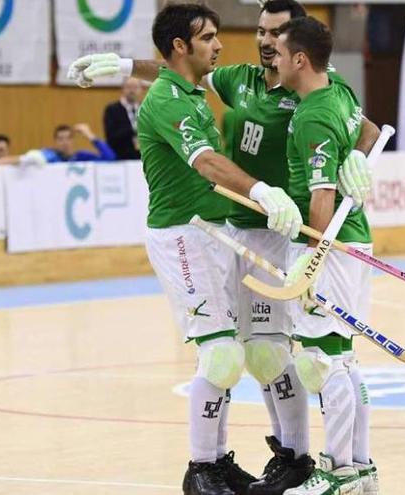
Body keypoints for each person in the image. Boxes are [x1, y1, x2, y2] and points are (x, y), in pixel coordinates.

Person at [67, 2, 378, 494]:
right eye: (259, 31)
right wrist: (126, 66)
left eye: (277, 33)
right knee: (258, 355)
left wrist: (357, 159)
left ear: (297, 45)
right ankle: (275, 461)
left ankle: (325, 463)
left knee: (317, 354)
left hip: (293, 231)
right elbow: (176, 64)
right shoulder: (238, 80)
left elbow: (364, 127)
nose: (265, 42)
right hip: (240, 230)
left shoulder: (319, 85)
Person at [274, 16, 376, 495]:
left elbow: (321, 196)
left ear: (300, 59)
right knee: (345, 356)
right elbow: (371, 135)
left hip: (329, 244)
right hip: (354, 239)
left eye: (278, 52)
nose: (271, 60)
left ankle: (335, 472)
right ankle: (360, 468)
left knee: (320, 357)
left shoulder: (315, 112)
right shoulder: (341, 90)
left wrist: (309, 259)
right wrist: (356, 154)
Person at [103, 77, 144, 160]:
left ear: (141, 90)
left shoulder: (144, 109)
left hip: (142, 157)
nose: (132, 91)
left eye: (135, 87)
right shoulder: (112, 109)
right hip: (120, 158)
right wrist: (133, 129)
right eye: (129, 87)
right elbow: (111, 136)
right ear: (122, 89)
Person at [41, 124, 116, 163]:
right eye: (61, 139)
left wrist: (89, 135)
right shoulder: (50, 157)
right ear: (55, 142)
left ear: (73, 141)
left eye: (68, 138)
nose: (65, 142)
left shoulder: (81, 157)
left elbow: (110, 158)